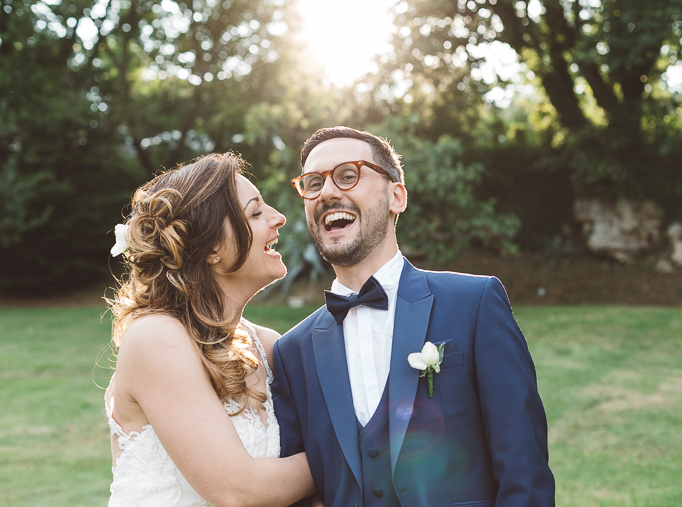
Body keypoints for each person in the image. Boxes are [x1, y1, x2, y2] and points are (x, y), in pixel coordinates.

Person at [272, 127, 555, 507]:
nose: (326, 192)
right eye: (313, 182)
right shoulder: (292, 352)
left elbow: (524, 468)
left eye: (347, 175)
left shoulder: (474, 303)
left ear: (396, 197)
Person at [105, 153, 317, 507]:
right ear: (213, 248)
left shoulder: (267, 345)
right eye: (255, 212)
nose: (278, 218)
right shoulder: (156, 339)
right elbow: (238, 490)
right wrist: (351, 454)